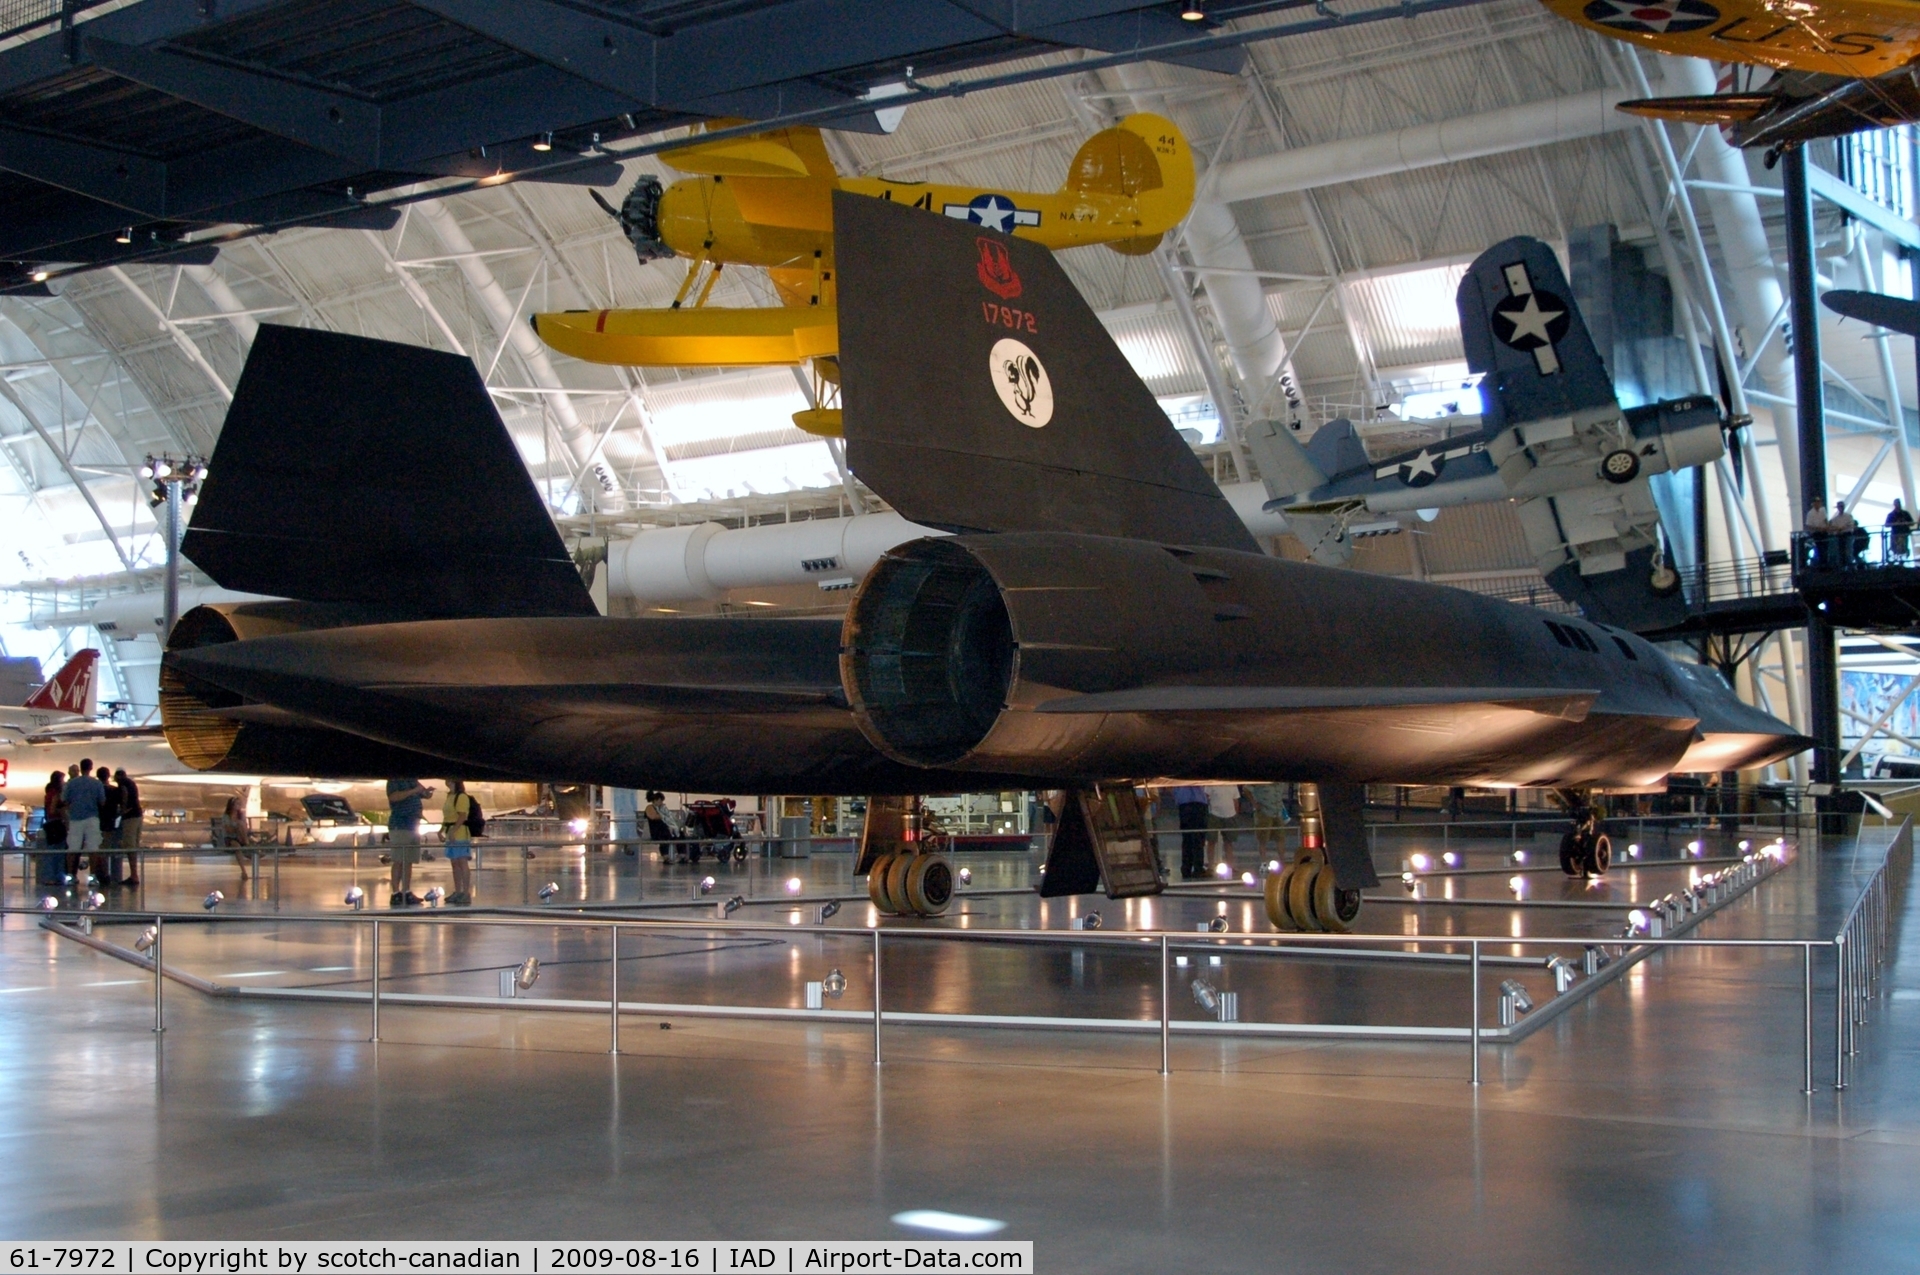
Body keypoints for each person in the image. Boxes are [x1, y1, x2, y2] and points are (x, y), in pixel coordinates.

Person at [386, 777, 432, 907]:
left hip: (414, 824)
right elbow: (393, 797)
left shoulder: (412, 779)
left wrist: (426, 793)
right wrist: (413, 791)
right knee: (399, 859)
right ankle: (395, 893)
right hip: (400, 824)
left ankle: (406, 891)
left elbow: (421, 792)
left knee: (409, 860)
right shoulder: (394, 780)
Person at [63, 758, 105, 884]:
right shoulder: (97, 783)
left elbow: (65, 800)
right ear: (91, 768)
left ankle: (71, 876)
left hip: (75, 818)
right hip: (92, 818)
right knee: (93, 848)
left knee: (73, 848)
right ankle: (93, 877)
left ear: (80, 768)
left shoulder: (71, 783)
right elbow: (102, 801)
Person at [440, 780, 475, 906]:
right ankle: (458, 891)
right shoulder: (450, 796)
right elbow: (447, 817)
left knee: (462, 862)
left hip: (459, 834)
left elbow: (462, 816)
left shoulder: (461, 797)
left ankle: (465, 892)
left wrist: (453, 831)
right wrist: (442, 830)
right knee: (454, 863)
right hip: (451, 833)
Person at [1171, 784, 1210, 880]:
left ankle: (1186, 868)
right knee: (1198, 838)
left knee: (1187, 838)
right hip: (1198, 804)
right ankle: (1198, 868)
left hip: (1184, 805)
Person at [115, 770, 143, 887]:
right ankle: (134, 874)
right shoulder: (132, 783)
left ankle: (134, 875)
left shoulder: (123, 784)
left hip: (130, 816)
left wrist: (123, 810)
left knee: (129, 845)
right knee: (134, 845)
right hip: (138, 815)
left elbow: (125, 794)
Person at [39, 770, 66, 890]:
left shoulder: (48, 792)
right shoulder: (55, 794)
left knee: (52, 852)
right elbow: (53, 810)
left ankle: (51, 877)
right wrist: (63, 812)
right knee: (58, 852)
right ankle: (55, 876)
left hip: (50, 824)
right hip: (56, 824)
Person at [213, 795, 251, 878]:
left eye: (239, 804)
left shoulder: (241, 816)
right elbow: (228, 830)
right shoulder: (226, 817)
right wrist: (237, 826)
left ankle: (245, 843)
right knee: (237, 846)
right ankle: (243, 871)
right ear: (232, 805)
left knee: (240, 825)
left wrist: (240, 825)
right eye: (237, 804)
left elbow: (245, 828)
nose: (239, 806)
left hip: (240, 836)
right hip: (229, 838)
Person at [98, 771, 122, 887]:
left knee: (101, 849)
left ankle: (103, 873)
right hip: (110, 822)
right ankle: (112, 874)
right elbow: (120, 804)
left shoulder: (97, 790)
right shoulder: (114, 790)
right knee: (109, 848)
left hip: (99, 822)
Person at [643, 791, 676, 858]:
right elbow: (653, 817)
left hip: (662, 831)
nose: (661, 803)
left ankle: (682, 855)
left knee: (680, 835)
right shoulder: (649, 808)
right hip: (656, 831)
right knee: (664, 837)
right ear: (655, 800)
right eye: (660, 801)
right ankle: (665, 856)